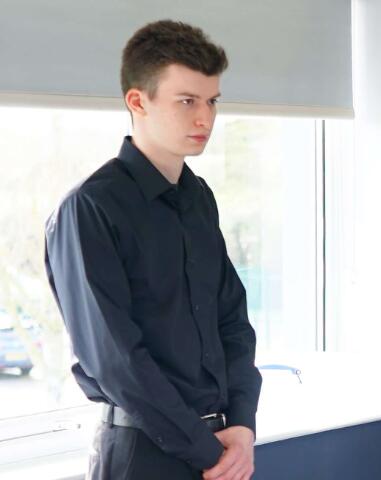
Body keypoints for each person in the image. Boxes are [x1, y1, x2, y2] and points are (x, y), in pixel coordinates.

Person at [44, 20, 260, 480]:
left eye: (211, 101)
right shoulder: (88, 208)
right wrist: (208, 451)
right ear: (137, 101)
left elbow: (232, 322)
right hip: (143, 454)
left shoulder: (199, 197)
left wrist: (243, 424)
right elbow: (116, 361)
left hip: (222, 445)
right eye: (186, 101)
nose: (205, 119)